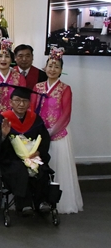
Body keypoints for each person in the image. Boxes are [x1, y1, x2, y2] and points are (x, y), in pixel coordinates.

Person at [0, 86, 58, 216]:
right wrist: (2, 134)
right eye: (17, 100)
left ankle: (42, 202)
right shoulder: (1, 120)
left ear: (29, 103)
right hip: (10, 159)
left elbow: (45, 139)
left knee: (41, 169)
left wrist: (38, 153)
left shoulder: (35, 119)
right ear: (11, 102)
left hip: (32, 156)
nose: (21, 104)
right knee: (19, 169)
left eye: (25, 101)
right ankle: (24, 204)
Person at [32, 50, 83, 214]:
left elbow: (66, 114)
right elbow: (32, 110)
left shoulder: (65, 89)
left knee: (59, 166)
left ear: (61, 70)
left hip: (59, 134)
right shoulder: (37, 87)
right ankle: (38, 200)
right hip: (39, 134)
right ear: (45, 67)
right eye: (50, 66)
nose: (52, 69)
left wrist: (51, 131)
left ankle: (60, 202)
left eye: (56, 67)